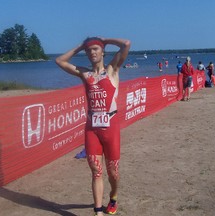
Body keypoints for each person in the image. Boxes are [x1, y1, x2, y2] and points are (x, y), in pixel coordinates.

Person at [55, 37, 131, 216]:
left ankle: (113, 196)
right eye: (89, 51)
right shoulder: (85, 74)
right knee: (96, 170)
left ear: (103, 51)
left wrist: (105, 40)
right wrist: (80, 46)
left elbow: (126, 44)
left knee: (113, 172)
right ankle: (98, 211)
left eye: (96, 49)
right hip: (92, 128)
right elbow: (60, 61)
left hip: (110, 127)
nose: (92, 53)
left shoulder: (112, 69)